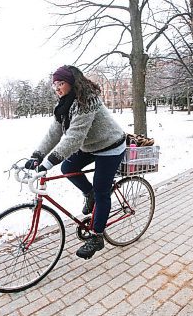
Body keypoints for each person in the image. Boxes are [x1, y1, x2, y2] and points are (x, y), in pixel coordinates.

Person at [25, 65, 126, 260]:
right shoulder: (65, 104)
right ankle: (89, 195)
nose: (57, 88)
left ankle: (97, 236)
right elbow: (54, 132)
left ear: (72, 83)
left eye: (60, 83)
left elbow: (74, 139)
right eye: (54, 84)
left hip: (110, 146)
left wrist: (48, 163)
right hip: (91, 146)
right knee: (68, 167)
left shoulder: (88, 101)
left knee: (101, 190)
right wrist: (37, 155)